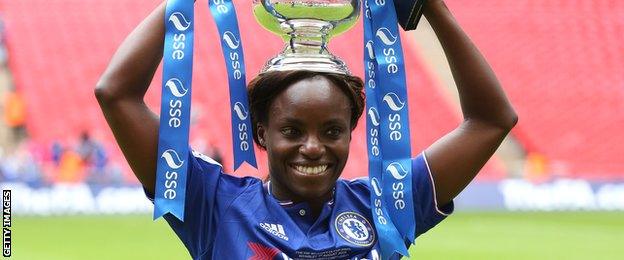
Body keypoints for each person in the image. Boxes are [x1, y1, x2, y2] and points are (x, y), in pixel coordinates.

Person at [95, 0, 517, 259]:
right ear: (261, 133)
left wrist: (431, 8)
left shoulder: (388, 202)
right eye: (292, 131)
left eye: (332, 131)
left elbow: (491, 121)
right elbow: (116, 93)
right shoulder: (214, 205)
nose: (313, 147)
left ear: (353, 131)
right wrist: (180, 4)